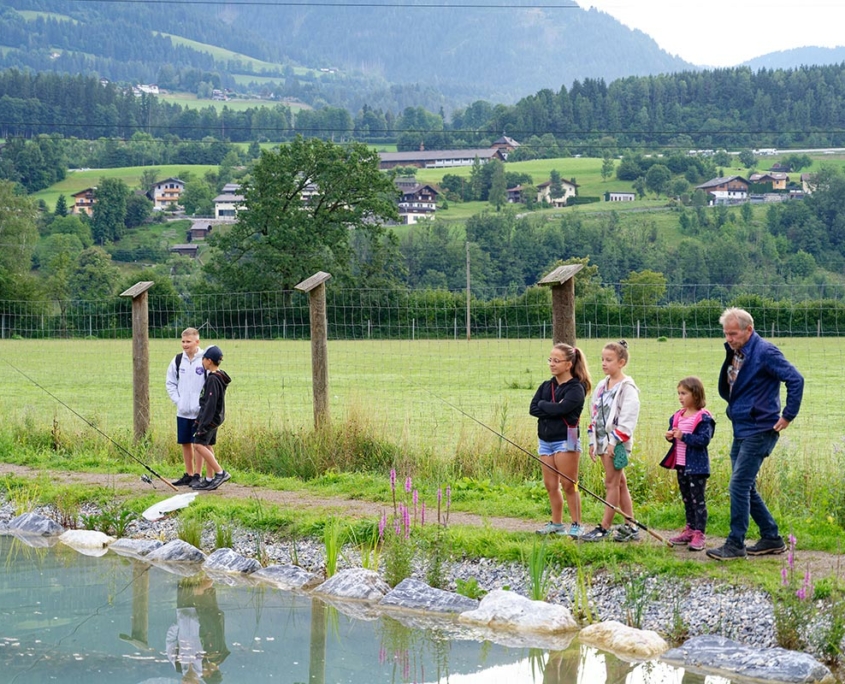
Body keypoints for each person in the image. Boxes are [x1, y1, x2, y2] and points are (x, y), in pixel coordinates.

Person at [706, 307, 804, 561]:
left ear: (749, 329)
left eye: (733, 333)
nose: (729, 338)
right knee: (745, 486)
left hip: (760, 428)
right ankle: (771, 537)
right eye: (726, 333)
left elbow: (796, 379)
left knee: (738, 485)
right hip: (742, 426)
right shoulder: (737, 351)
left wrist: (788, 415)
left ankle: (735, 544)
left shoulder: (765, 352)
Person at [529, 343, 592, 538]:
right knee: (551, 485)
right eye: (550, 360)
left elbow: (562, 410)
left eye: (557, 361)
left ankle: (577, 524)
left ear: (569, 364)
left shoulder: (576, 388)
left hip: (568, 439)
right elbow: (533, 408)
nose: (552, 364)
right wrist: (551, 407)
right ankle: (556, 523)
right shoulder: (546, 386)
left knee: (569, 483)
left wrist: (545, 406)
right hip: (545, 440)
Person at [583, 340, 641, 542]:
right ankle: (631, 525)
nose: (604, 364)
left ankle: (604, 527)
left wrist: (614, 442)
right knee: (620, 483)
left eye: (609, 360)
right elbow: (595, 414)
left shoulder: (628, 388)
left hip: (616, 444)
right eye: (602, 360)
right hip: (601, 442)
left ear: (622, 362)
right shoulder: (601, 385)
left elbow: (627, 420)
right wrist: (592, 441)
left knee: (611, 483)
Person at [661, 376, 715, 552]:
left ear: (696, 395)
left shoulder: (703, 418)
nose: (680, 397)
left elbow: (703, 440)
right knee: (686, 498)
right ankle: (689, 529)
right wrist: (671, 436)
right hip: (681, 465)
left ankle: (700, 532)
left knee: (697, 499)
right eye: (679, 393)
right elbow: (676, 439)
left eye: (684, 393)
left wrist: (683, 436)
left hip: (697, 467)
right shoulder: (677, 416)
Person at [166, 327, 206, 487]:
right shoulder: (177, 360)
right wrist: (178, 401)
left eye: (188, 342)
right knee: (185, 442)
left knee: (199, 443)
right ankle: (188, 474)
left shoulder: (204, 360)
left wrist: (203, 405)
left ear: (197, 342)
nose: (185, 345)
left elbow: (210, 383)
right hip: (182, 411)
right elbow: (170, 382)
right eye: (183, 341)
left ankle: (198, 474)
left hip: (199, 412)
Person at [191, 345, 232, 491]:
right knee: (207, 445)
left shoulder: (213, 379)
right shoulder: (218, 376)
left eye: (203, 359)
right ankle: (209, 478)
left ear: (208, 361)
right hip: (215, 418)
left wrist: (203, 423)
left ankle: (220, 473)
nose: (202, 361)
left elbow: (210, 403)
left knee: (198, 445)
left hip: (210, 419)